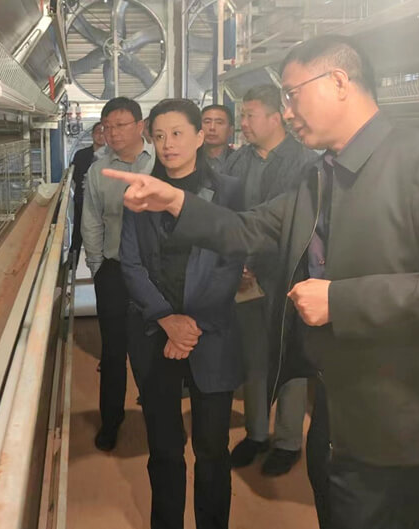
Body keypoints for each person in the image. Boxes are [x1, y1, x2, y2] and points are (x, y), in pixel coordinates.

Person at [105, 34, 419, 529]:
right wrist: (177, 201)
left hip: (395, 407)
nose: (287, 112)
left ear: (339, 82)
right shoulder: (322, 176)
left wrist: (340, 300)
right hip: (340, 397)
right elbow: (249, 228)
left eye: (292, 95)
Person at [120, 99, 243, 529]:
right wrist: (166, 319)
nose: (168, 144)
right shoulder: (139, 191)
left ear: (199, 136)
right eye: (159, 136)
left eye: (177, 133)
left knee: (212, 449)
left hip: (210, 334)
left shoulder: (229, 191)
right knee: (165, 449)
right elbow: (130, 264)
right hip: (156, 334)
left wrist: (191, 327)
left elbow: (230, 263)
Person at [224, 84, 319, 476]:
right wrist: (236, 262)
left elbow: (303, 225)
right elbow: (228, 215)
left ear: (275, 117)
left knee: (289, 356)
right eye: (242, 115)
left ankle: (288, 441)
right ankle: (257, 433)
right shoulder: (236, 162)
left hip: (288, 275)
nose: (243, 123)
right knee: (254, 356)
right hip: (244, 277)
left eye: (249, 115)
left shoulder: (306, 163)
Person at [81, 97, 155, 451]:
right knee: (112, 351)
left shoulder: (159, 164)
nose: (112, 133)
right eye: (107, 127)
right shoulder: (98, 171)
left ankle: (157, 414)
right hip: (114, 270)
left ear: (140, 126)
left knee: (153, 347)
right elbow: (92, 220)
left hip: (154, 272)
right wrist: (98, 267)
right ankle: (111, 419)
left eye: (120, 125)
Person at [70, 122, 106, 264]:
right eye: (98, 131)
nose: (101, 135)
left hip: (104, 203)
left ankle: (103, 263)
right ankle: (71, 264)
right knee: (78, 233)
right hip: (82, 200)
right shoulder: (81, 155)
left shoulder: (112, 156)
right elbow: (75, 176)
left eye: (104, 132)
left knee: (103, 234)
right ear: (92, 135)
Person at [201, 104, 234, 173]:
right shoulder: (189, 159)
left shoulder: (237, 160)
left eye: (219, 123)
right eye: (207, 122)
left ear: (230, 130)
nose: (212, 127)